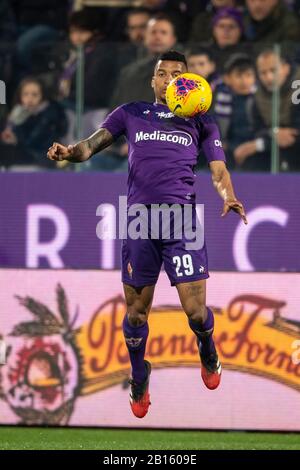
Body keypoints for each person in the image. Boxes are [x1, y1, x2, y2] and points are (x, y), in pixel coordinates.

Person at [47, 50, 247, 419]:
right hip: (140, 222)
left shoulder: (202, 121)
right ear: (153, 80)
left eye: (177, 74)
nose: (169, 79)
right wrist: (69, 152)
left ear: (188, 82)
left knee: (196, 311)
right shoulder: (131, 113)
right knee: (136, 314)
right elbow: (90, 146)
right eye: (162, 74)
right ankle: (140, 375)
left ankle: (207, 348)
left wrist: (228, 194)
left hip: (181, 221)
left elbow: (218, 170)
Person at [234, 49, 300, 171]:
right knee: (249, 159)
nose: (268, 77)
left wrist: (262, 143)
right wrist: (274, 132)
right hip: (273, 149)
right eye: (263, 73)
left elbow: (294, 134)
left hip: (294, 150)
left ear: (285, 68)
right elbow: (258, 130)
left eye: (273, 70)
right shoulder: (257, 95)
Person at [1, 77, 66, 169]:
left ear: (42, 95)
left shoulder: (50, 115)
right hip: (18, 161)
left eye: (34, 95)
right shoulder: (16, 114)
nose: (29, 98)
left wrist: (17, 139)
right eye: (25, 94)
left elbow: (36, 141)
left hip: (41, 162)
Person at [214, 54, 256, 169]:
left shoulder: (258, 99)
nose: (244, 81)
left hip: (254, 150)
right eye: (239, 76)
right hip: (228, 150)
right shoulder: (220, 98)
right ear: (227, 79)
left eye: (248, 75)